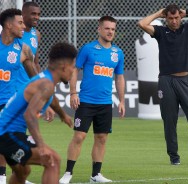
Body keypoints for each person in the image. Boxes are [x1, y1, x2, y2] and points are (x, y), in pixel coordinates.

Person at [137, 4, 188, 165]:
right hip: (167, 81)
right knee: (169, 120)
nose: (174, 21)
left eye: (176, 18)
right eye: (170, 18)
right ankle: (174, 157)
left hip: (186, 81)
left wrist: (187, 12)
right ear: (165, 19)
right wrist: (158, 13)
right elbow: (142, 24)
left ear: (180, 17)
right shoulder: (160, 32)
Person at [59, 15, 125, 183]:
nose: (110, 32)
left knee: (101, 138)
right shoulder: (88, 49)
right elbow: (75, 70)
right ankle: (68, 173)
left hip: (105, 103)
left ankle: (95, 175)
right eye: (107, 28)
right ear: (99, 29)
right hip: (86, 102)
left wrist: (122, 100)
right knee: (79, 136)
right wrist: (73, 93)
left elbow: (119, 78)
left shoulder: (118, 53)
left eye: (113, 29)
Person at [0, 41, 77, 184]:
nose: (73, 71)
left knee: (23, 172)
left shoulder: (45, 80)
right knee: (52, 160)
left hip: (7, 133)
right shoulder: (46, 85)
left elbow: (52, 100)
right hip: (6, 134)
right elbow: (29, 115)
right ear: (64, 67)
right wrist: (41, 146)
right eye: (73, 66)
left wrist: (63, 115)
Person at [0, 8, 38, 184]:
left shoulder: (23, 49)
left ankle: (14, 176)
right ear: (8, 25)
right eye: (20, 23)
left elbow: (35, 77)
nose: (23, 26)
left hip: (10, 103)